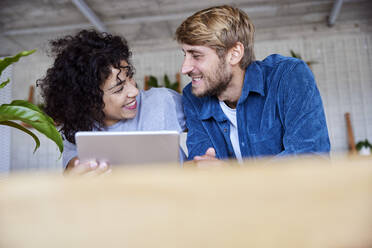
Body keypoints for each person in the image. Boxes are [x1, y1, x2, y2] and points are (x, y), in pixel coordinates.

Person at [175, 5, 330, 164]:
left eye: (196, 55)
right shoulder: (193, 96)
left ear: (234, 54)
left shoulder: (288, 76)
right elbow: (202, 167)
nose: (184, 68)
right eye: (185, 55)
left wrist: (230, 176)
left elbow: (311, 159)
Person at [38, 30, 185, 175]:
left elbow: (206, 122)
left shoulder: (163, 101)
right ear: (90, 102)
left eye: (129, 76)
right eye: (119, 89)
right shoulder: (79, 133)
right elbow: (73, 171)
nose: (134, 91)